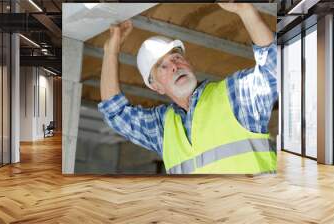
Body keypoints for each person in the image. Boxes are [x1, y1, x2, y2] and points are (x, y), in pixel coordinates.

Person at [98, 3, 277, 174]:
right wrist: (110, 52)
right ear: (156, 87)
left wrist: (245, 10)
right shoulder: (162, 129)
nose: (175, 66)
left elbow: (274, 67)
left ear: (190, 64)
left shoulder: (234, 96)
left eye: (176, 57)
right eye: (162, 66)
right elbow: (115, 112)